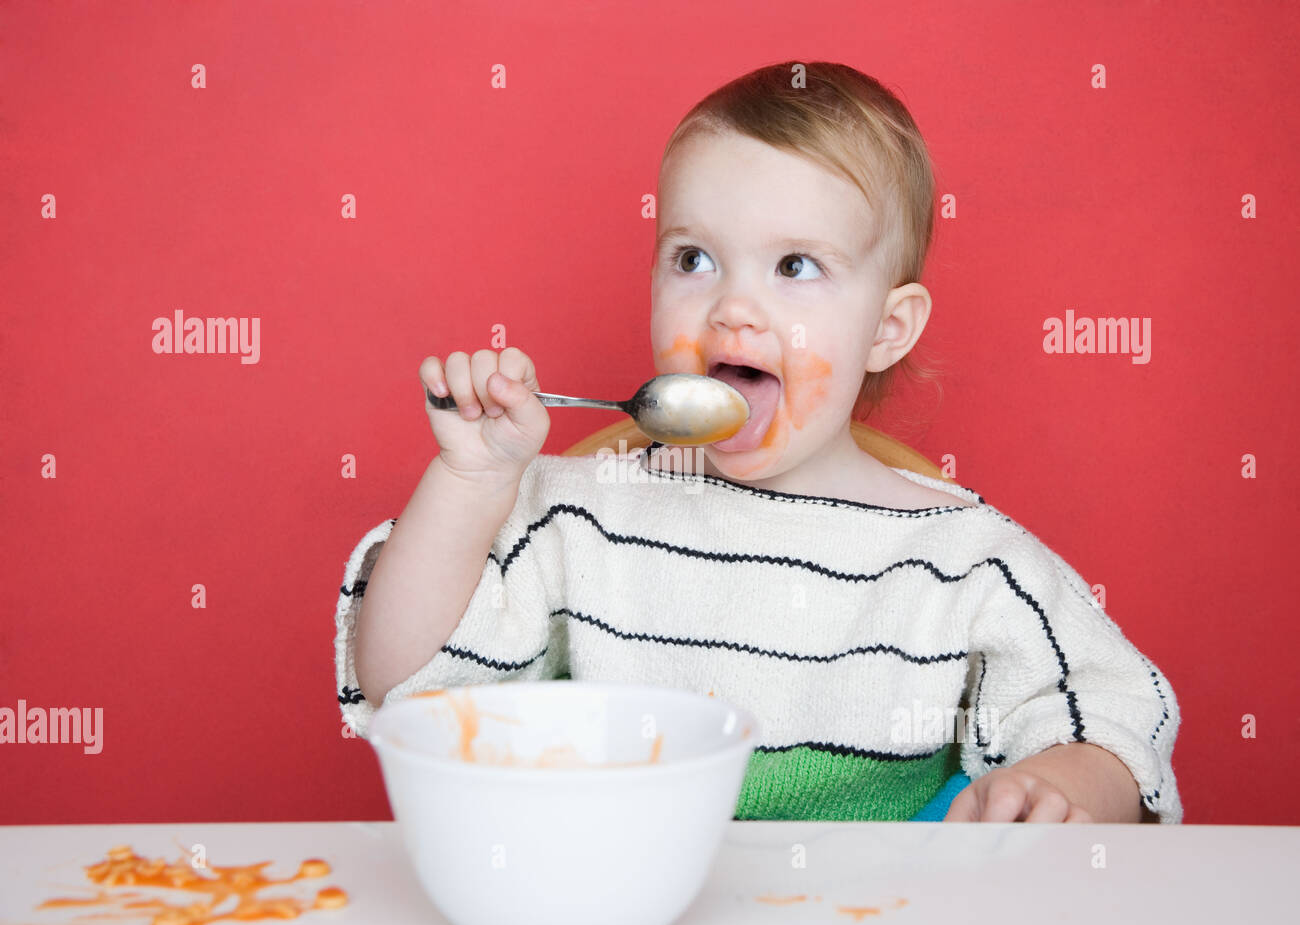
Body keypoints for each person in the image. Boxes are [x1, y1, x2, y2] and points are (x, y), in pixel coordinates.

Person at [334, 61, 1180, 823]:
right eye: (694, 259)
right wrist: (470, 478)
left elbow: (1110, 714)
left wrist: (1067, 783)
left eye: (795, 268)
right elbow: (404, 682)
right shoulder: (580, 515)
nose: (732, 309)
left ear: (888, 329)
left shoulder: (960, 561)